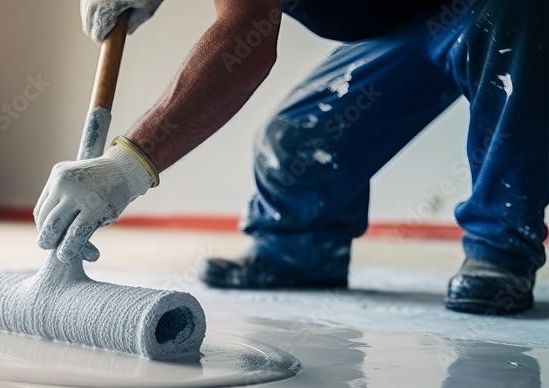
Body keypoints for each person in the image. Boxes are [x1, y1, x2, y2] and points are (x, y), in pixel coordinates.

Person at [34, 0, 548, 315]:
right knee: (297, 142)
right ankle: (298, 255)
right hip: (411, 27)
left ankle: (500, 252)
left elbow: (245, 39)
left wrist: (127, 165)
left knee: (513, 27)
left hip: (499, 10)